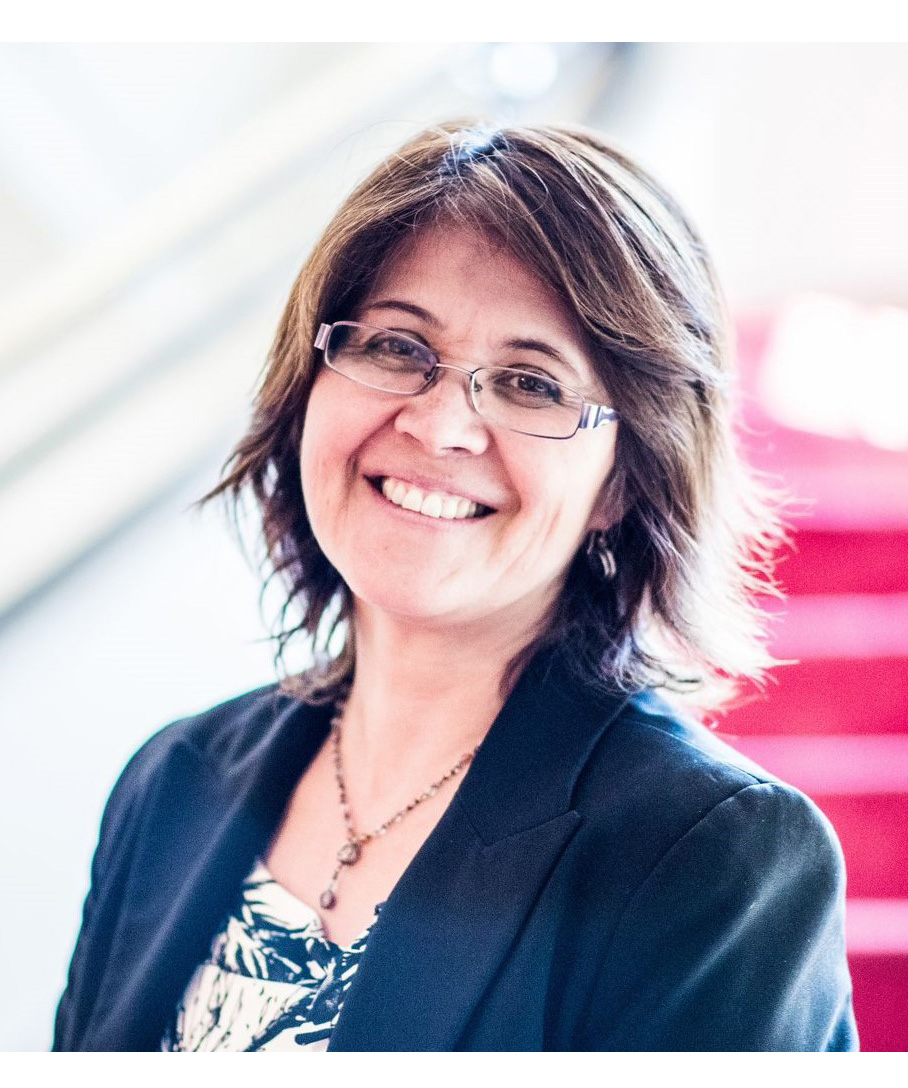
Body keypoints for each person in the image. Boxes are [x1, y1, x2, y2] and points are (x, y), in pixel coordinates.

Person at [54, 120, 858, 1052]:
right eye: (396, 348)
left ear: (624, 482)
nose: (440, 427)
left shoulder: (712, 858)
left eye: (529, 383)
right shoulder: (174, 782)